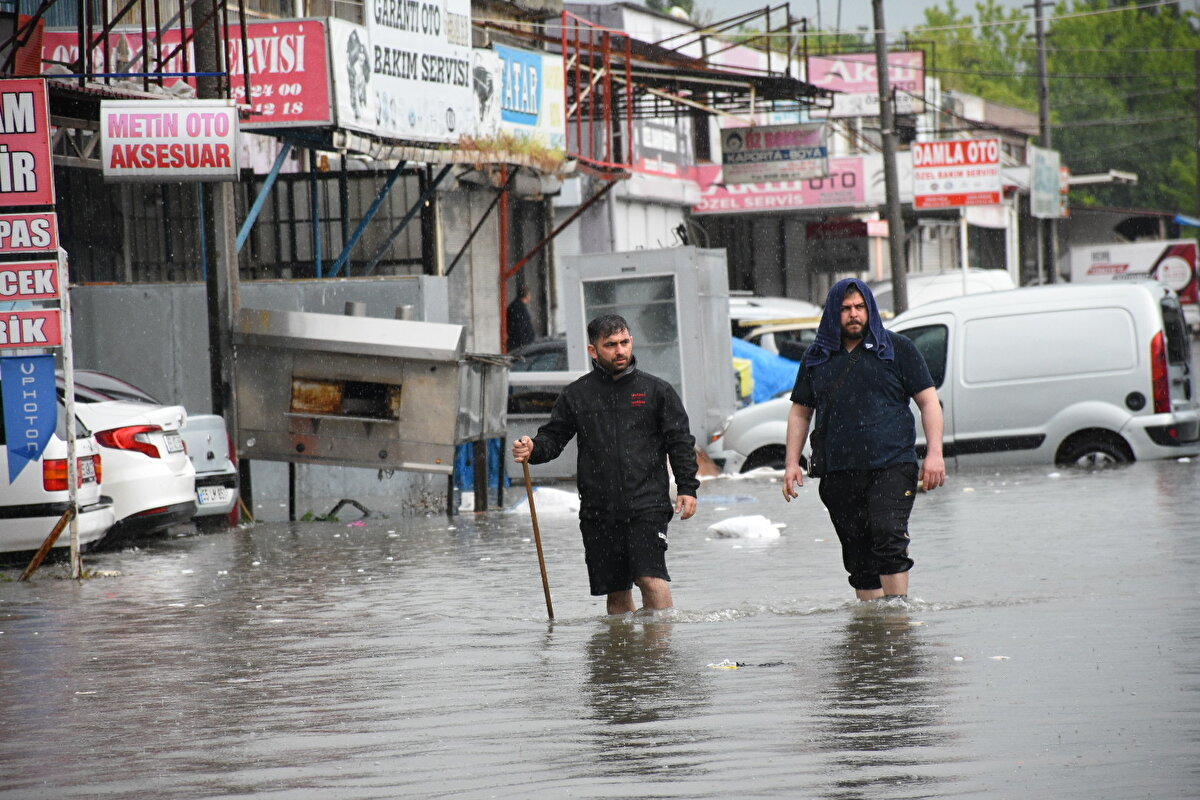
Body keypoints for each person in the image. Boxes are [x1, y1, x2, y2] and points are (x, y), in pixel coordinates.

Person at [512, 314, 699, 614]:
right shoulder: (577, 395)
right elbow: (553, 438)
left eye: (624, 342)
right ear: (593, 350)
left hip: (646, 504)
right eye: (610, 345)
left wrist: (688, 488)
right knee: (616, 592)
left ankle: (661, 658)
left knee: (650, 578)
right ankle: (621, 659)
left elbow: (680, 442)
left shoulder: (657, 391)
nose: (620, 351)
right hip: (598, 510)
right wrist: (533, 448)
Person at [782, 278, 945, 602]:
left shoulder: (897, 349)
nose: (854, 314)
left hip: (892, 464)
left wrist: (934, 454)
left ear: (870, 310)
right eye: (845, 309)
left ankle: (897, 620)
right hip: (838, 469)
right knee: (857, 551)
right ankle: (871, 635)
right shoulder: (817, 357)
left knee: (888, 534)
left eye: (860, 307)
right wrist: (791, 464)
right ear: (833, 313)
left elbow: (929, 402)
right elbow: (800, 412)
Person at [506, 285, 536, 353]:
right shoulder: (519, 308)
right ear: (527, 295)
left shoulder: (514, 306)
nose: (530, 297)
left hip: (518, 343)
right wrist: (525, 343)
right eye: (529, 295)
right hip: (520, 345)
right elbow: (520, 327)